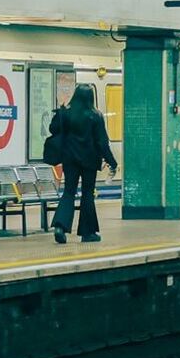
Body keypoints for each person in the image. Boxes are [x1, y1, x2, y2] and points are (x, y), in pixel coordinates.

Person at [48, 86, 117, 244]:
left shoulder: (66, 113)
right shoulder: (96, 116)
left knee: (69, 192)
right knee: (87, 194)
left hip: (70, 160)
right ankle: (88, 233)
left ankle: (60, 226)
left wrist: (60, 113)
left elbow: (53, 129)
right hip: (90, 161)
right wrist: (112, 162)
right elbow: (102, 142)